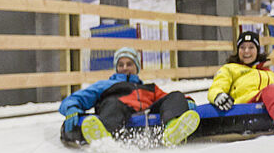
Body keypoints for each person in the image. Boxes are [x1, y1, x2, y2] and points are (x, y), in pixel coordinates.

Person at [59, 45, 200, 146]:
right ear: (116, 68)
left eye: (129, 64)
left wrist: (185, 101)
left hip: (146, 111)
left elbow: (167, 99)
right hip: (116, 111)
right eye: (121, 65)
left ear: (137, 67)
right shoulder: (105, 85)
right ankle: (103, 136)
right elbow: (77, 98)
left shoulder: (149, 88)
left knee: (176, 94)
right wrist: (72, 108)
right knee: (114, 103)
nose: (125, 68)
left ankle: (173, 128)